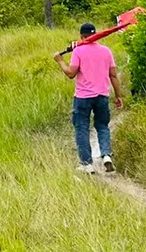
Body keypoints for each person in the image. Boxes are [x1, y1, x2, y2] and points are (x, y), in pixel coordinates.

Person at [53, 23, 123, 174]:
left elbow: (71, 73)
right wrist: (118, 96)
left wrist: (60, 61)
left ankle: (87, 164)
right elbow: (113, 76)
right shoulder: (106, 51)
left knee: (82, 128)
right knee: (102, 126)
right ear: (95, 34)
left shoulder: (78, 51)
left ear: (81, 36)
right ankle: (106, 155)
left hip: (83, 97)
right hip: (102, 95)